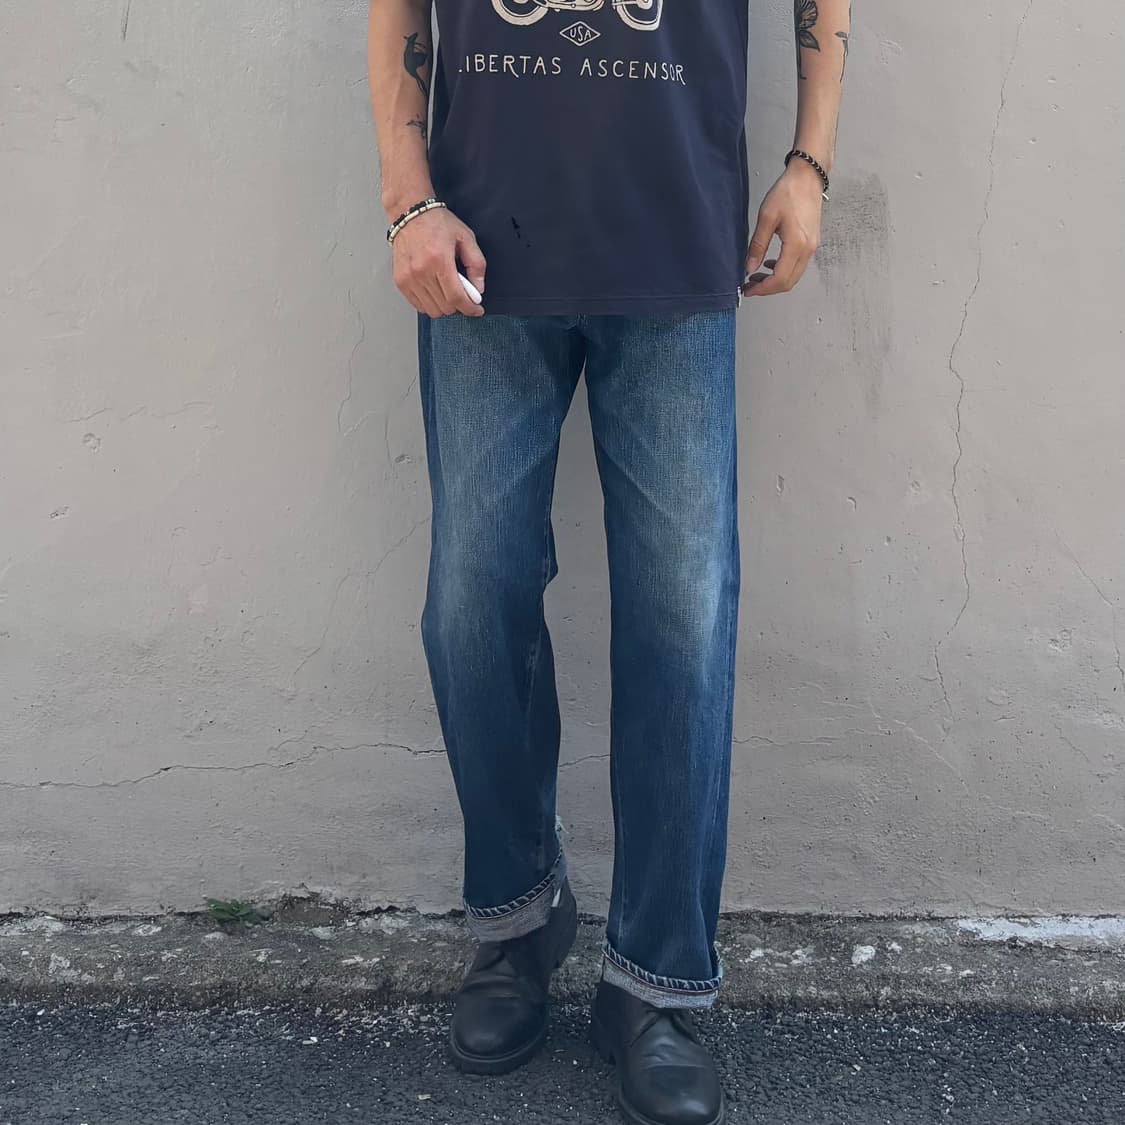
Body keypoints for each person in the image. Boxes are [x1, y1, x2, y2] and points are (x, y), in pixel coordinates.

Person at [368, 2, 849, 1121]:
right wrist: (407, 192)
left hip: (675, 241)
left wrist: (809, 164)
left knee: (684, 621)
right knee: (470, 606)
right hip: (479, 250)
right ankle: (517, 918)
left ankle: (656, 982)